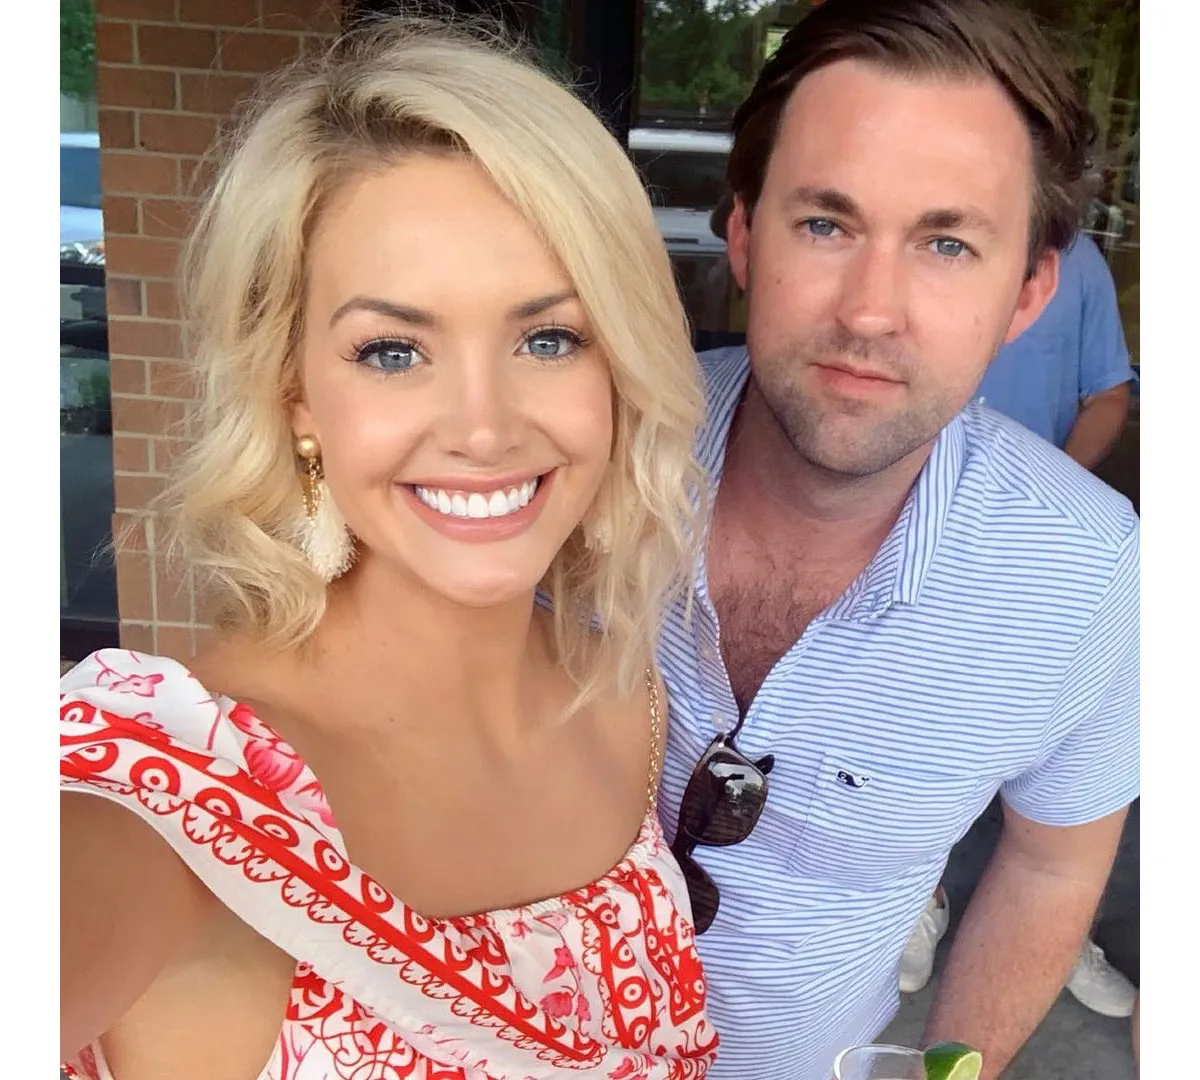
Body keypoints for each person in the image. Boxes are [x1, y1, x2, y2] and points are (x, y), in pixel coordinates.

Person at [60, 22, 718, 1080]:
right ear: (295, 393)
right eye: (393, 351)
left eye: (549, 337)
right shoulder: (167, 784)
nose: (483, 427)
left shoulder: (627, 700)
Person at [653, 2, 1139, 1078]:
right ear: (744, 232)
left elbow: (1052, 866)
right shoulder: (585, 452)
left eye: (947, 243)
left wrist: (945, 1074)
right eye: (825, 225)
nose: (872, 312)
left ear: (1030, 293)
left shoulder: (1090, 570)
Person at [901, 229, 1138, 1019]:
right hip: (910, 531)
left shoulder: (1081, 265)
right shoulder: (913, 244)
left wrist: (1045, 496)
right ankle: (920, 902)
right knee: (918, 730)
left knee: (1063, 764)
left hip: (1037, 550)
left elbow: (1108, 394)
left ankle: (1059, 937)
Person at [974, 230, 1134, 468]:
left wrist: (1058, 478)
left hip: (1031, 480)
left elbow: (1108, 395)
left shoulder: (1080, 261)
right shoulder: (930, 249)